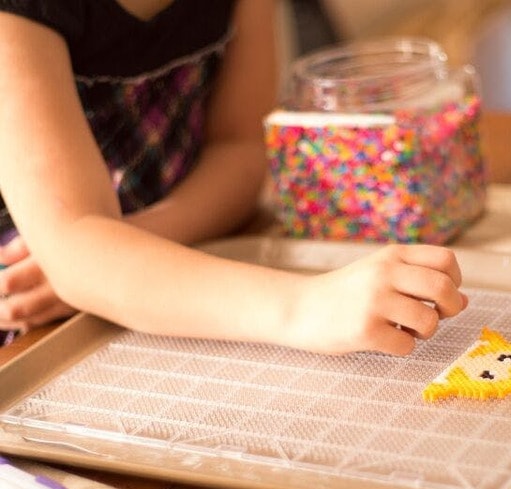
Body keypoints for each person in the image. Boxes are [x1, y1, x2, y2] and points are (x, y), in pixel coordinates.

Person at [0, 0, 468, 354]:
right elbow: (78, 245)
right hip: (24, 321)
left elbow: (240, 150)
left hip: (162, 278)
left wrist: (116, 253)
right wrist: (308, 306)